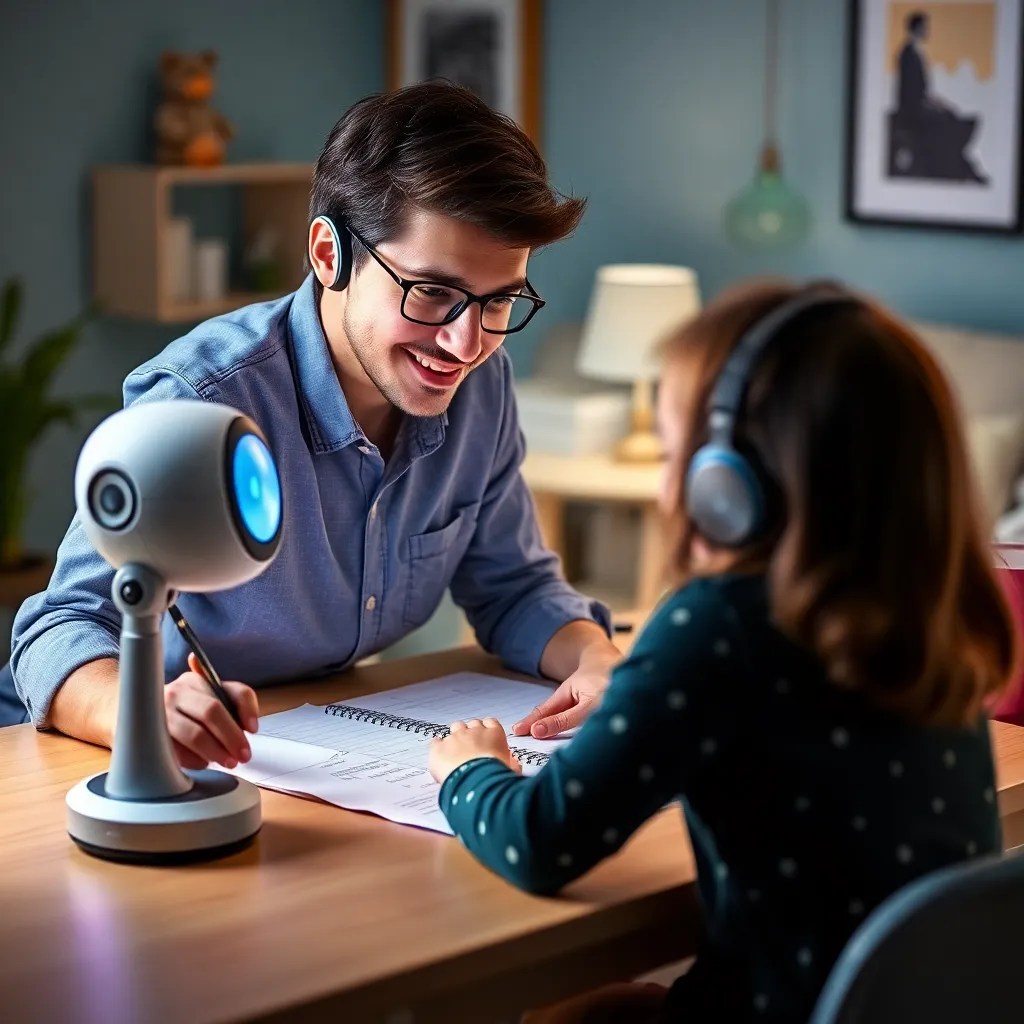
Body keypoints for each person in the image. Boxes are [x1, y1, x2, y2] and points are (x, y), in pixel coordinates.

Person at [428, 279, 1017, 1023]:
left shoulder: (719, 626)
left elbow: (541, 843)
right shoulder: (933, 616)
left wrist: (470, 770)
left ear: (729, 483)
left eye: (677, 452)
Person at [6, 81, 623, 768]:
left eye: (499, 301)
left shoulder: (482, 388)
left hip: (311, 749)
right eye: (434, 294)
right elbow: (59, 629)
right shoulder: (200, 400)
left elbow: (515, 588)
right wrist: (142, 713)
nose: (466, 343)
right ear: (330, 257)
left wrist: (598, 662)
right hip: (110, 759)